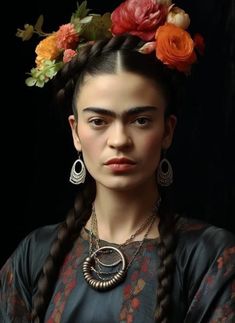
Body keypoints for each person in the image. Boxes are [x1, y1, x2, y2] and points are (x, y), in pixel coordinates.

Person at [1, 0, 235, 322]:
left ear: (167, 131)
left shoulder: (210, 256)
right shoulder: (34, 255)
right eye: (99, 121)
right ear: (75, 132)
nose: (119, 140)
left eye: (140, 121)